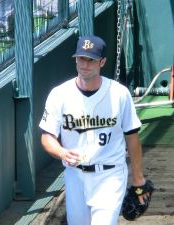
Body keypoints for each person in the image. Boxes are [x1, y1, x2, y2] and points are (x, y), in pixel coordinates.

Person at [39, 35, 149, 225]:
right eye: (81, 58)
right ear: (75, 59)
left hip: (110, 174)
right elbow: (47, 137)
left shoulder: (119, 94)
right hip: (75, 176)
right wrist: (61, 152)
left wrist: (139, 180)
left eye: (91, 60)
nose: (85, 64)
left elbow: (132, 138)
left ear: (102, 62)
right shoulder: (60, 94)